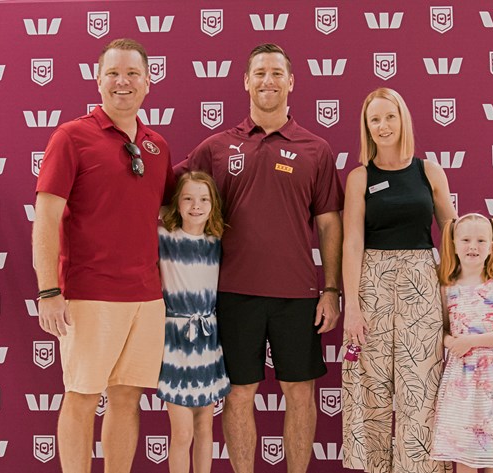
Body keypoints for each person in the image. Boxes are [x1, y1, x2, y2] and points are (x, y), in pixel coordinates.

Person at [175, 43, 343, 473]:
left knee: (300, 393)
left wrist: (330, 289)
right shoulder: (215, 148)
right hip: (231, 293)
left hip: (299, 294)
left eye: (276, 73)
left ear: (291, 82)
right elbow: (169, 194)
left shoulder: (316, 149)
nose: (268, 81)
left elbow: (328, 224)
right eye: (260, 73)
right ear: (246, 82)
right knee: (237, 394)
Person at [33, 38, 175, 473]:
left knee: (128, 396)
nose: (122, 82)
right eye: (113, 73)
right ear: (98, 80)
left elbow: (168, 214)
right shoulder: (72, 136)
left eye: (132, 73)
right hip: (89, 294)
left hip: (148, 297)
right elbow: (45, 218)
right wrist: (48, 291)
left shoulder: (157, 146)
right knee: (81, 396)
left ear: (148, 83)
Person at [341, 87, 456, 473]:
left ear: (403, 118)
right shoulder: (359, 178)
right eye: (375, 119)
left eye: (389, 116)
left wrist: (455, 298)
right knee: (369, 390)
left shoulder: (429, 171)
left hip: (422, 282)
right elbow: (353, 242)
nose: (383, 125)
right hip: (372, 283)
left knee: (420, 387)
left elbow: (451, 233)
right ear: (366, 127)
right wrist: (351, 307)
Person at [431, 213, 493, 471]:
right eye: (465, 240)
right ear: (453, 243)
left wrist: (471, 341)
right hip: (460, 378)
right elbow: (440, 329)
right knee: (463, 452)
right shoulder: (446, 287)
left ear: (492, 246)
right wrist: (451, 341)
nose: (472, 246)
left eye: (480, 240)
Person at [157, 171, 231, 473]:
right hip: (175, 341)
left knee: (204, 429)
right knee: (182, 432)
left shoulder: (219, 240)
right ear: (177, 203)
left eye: (204, 199)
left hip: (208, 342)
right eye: (188, 198)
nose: (196, 206)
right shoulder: (164, 237)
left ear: (213, 204)